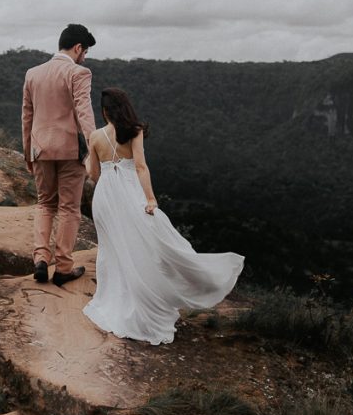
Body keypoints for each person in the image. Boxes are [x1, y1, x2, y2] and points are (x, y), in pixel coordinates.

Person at [83, 88, 243, 344]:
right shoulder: (134, 131)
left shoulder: (94, 136)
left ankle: (116, 297)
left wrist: (88, 163)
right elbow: (140, 166)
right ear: (125, 108)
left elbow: (93, 174)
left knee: (112, 249)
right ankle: (156, 291)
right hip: (128, 192)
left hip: (105, 198)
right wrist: (150, 199)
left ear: (104, 111)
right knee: (144, 244)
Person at [21, 24, 97, 286]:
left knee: (44, 204)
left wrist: (28, 153)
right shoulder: (79, 72)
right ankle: (63, 267)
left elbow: (27, 117)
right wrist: (94, 147)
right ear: (77, 48)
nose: (84, 57)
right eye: (84, 52)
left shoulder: (33, 73)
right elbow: (84, 112)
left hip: (40, 149)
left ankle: (40, 260)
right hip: (70, 150)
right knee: (68, 207)